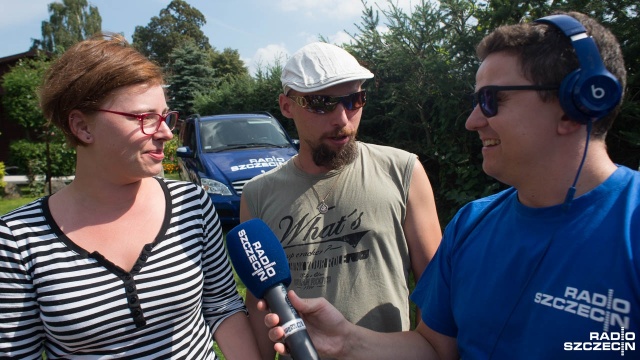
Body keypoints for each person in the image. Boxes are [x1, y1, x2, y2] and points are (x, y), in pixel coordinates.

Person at [260, 11, 639, 359]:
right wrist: (345, 339)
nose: (472, 121)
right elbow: (435, 348)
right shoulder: (470, 225)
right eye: (476, 101)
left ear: (576, 105)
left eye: (491, 101)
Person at [0, 33, 260, 359]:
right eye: (145, 118)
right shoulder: (17, 239)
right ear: (82, 126)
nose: (166, 132)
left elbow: (222, 306)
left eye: (165, 116)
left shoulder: (192, 204)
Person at [239, 42, 442, 358]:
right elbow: (259, 299)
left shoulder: (403, 170)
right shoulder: (257, 193)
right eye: (321, 103)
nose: (342, 118)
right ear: (286, 105)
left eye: (354, 100)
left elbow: (437, 291)